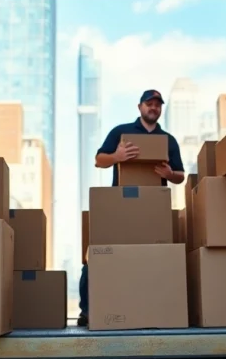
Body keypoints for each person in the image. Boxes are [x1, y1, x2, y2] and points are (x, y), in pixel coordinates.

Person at [78, 89, 186, 326]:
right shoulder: (121, 132)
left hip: (153, 209)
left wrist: (170, 174)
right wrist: (116, 156)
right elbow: (99, 160)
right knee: (96, 254)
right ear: (140, 107)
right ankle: (87, 311)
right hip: (121, 205)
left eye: (158, 104)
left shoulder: (168, 140)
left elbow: (180, 176)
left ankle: (151, 310)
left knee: (153, 260)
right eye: (149, 103)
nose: (153, 107)